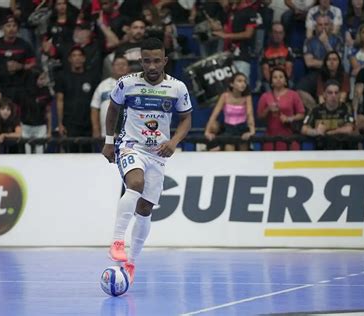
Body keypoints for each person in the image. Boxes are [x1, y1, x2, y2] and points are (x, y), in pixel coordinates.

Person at [102, 37, 192, 284]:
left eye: (156, 60)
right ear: (140, 61)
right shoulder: (126, 84)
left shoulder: (177, 88)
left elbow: (186, 119)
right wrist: (110, 141)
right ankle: (118, 240)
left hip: (158, 154)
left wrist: (173, 142)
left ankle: (131, 262)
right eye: (146, 61)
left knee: (145, 209)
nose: (151, 66)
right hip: (130, 146)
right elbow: (112, 110)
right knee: (135, 183)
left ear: (165, 60)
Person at [204, 72, 255, 151]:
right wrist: (207, 131)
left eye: (244, 81)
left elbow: (249, 114)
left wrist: (252, 131)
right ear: (232, 84)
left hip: (242, 129)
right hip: (229, 129)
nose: (243, 84)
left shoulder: (247, 97)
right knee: (229, 150)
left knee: (243, 153)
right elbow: (214, 114)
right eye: (239, 81)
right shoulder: (225, 96)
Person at [257, 67, 305, 150]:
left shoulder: (293, 95)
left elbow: (301, 114)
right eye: (275, 77)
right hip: (270, 139)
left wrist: (289, 119)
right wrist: (268, 109)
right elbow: (259, 117)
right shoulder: (265, 96)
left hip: (289, 138)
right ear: (271, 82)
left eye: (281, 77)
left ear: (286, 80)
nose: (278, 79)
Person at [301, 79, 355, 149]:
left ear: (340, 95)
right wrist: (316, 132)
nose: (333, 96)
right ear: (324, 95)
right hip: (320, 149)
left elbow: (349, 129)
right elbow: (304, 129)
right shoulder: (315, 109)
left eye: (336, 93)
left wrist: (329, 133)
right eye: (330, 93)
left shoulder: (346, 108)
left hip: (343, 148)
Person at [90, 55, 129, 138]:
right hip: (107, 135)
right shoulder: (103, 86)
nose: (121, 67)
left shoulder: (134, 85)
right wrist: (96, 129)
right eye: (118, 64)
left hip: (129, 135)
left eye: (123, 64)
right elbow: (94, 108)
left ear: (128, 67)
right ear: (112, 67)